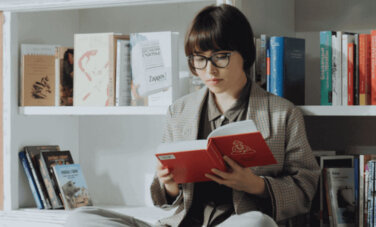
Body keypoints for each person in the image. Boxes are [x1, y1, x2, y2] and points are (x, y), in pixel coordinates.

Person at [65, 4, 320, 227]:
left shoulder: (283, 114)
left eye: (221, 57)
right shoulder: (180, 111)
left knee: (257, 223)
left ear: (245, 54)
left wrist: (256, 185)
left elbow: (306, 187)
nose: (209, 70)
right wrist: (169, 185)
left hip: (240, 222)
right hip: (181, 223)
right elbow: (165, 199)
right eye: (199, 59)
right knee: (81, 219)